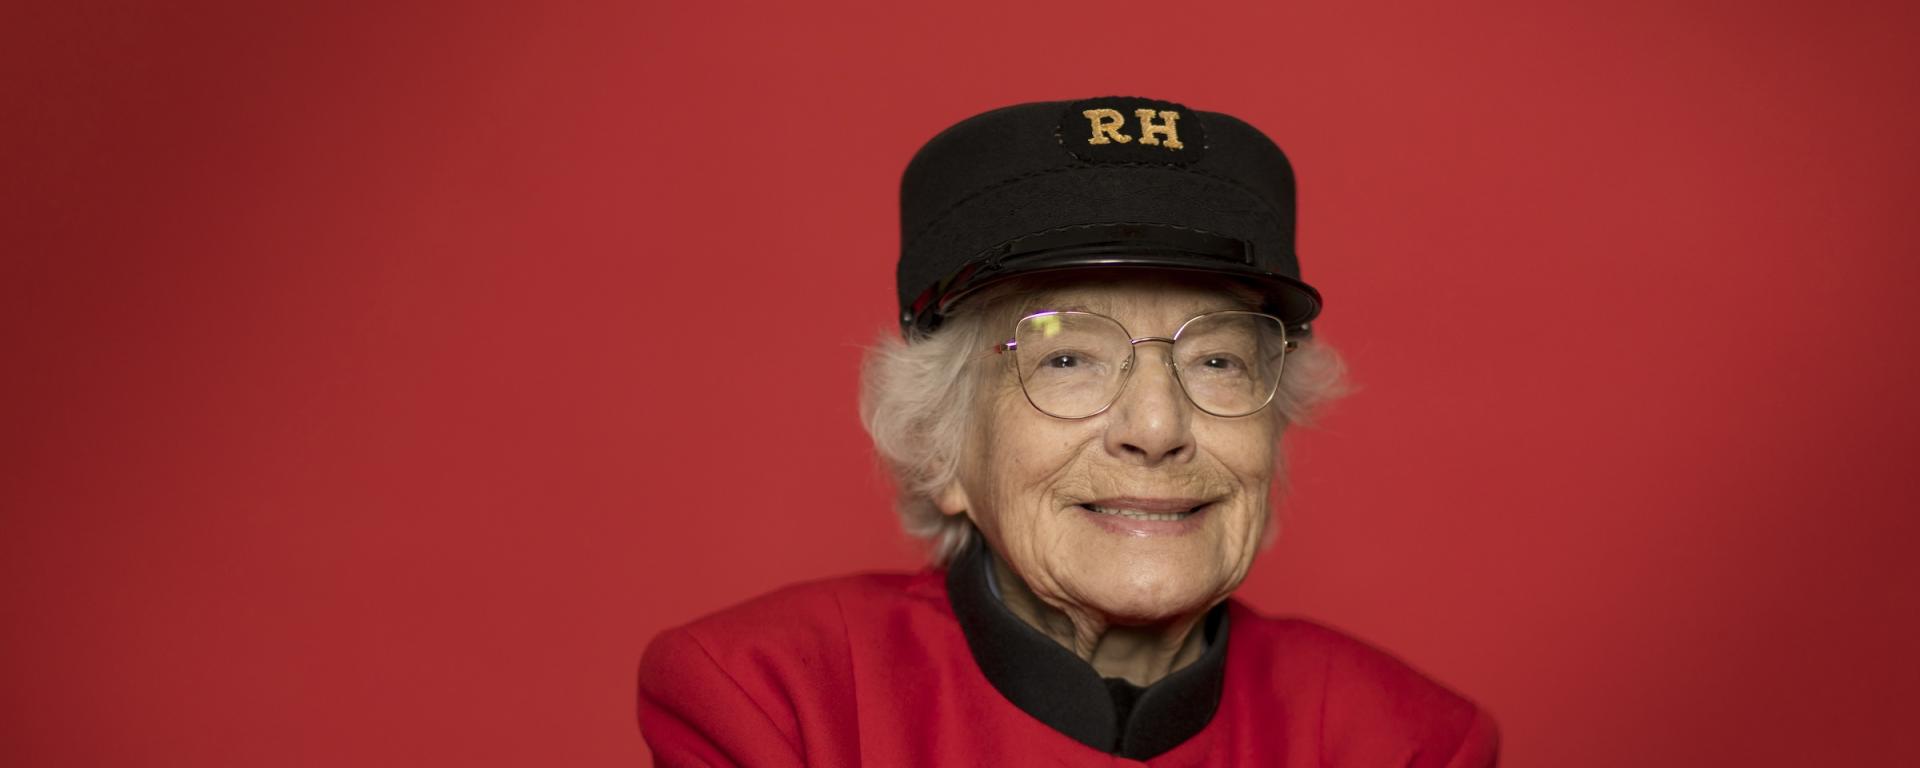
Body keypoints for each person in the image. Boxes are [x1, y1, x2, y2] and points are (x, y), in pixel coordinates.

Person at [637, 96, 1499, 766]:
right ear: (943, 448)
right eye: (1066, 359)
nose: (1157, 427)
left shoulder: (1405, 744)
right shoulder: (772, 704)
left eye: (1217, 363)